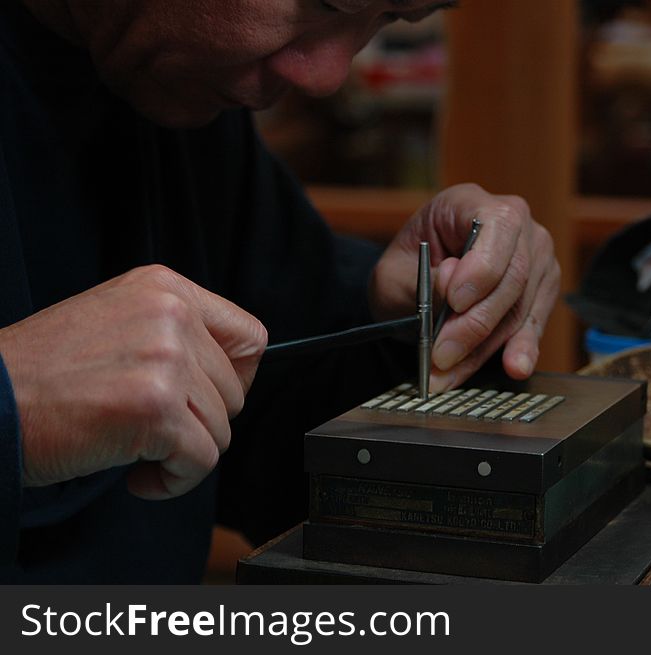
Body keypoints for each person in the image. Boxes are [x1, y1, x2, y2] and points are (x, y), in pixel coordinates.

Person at [0, 0, 560, 582]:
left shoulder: (177, 97)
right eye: (321, 2)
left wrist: (414, 328)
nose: (326, 76)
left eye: (389, 18)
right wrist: (15, 409)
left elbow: (277, 440)